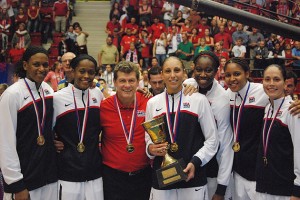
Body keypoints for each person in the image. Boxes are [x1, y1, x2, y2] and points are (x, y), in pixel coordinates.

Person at [145, 56, 218, 200]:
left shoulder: (199, 100)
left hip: (192, 177)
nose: (172, 75)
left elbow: (212, 140)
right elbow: (148, 138)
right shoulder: (152, 103)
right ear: (162, 74)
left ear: (184, 73)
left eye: (177, 70)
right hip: (163, 178)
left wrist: (196, 162)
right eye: (168, 71)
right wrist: (150, 149)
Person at [0, 46, 57, 200]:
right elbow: (5, 142)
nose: (42, 69)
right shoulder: (12, 95)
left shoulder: (48, 91)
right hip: (25, 180)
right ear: (25, 65)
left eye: (45, 65)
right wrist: (16, 184)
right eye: (36, 64)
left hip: (49, 177)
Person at [53, 54, 104, 200]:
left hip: (95, 174)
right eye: (82, 71)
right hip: (68, 175)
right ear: (73, 71)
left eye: (91, 72)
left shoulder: (98, 95)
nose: (86, 76)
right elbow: (44, 128)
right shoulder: (58, 98)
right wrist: (51, 142)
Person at [185, 51, 234, 200]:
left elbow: (225, 144)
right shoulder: (187, 87)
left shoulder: (222, 99)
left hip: (212, 170)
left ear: (217, 71)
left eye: (208, 70)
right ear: (193, 68)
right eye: (199, 70)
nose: (203, 74)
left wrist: (221, 188)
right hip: (188, 166)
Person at [100, 61, 152, 200]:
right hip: (112, 178)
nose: (127, 85)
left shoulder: (149, 102)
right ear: (115, 82)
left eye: (131, 81)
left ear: (138, 83)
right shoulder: (104, 106)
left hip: (143, 176)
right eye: (122, 80)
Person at [256, 64, 300, 199]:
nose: (271, 84)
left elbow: (299, 150)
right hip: (264, 186)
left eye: (276, 79)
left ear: (285, 82)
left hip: (285, 190)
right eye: (267, 79)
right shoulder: (268, 108)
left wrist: (298, 189)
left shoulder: (292, 110)